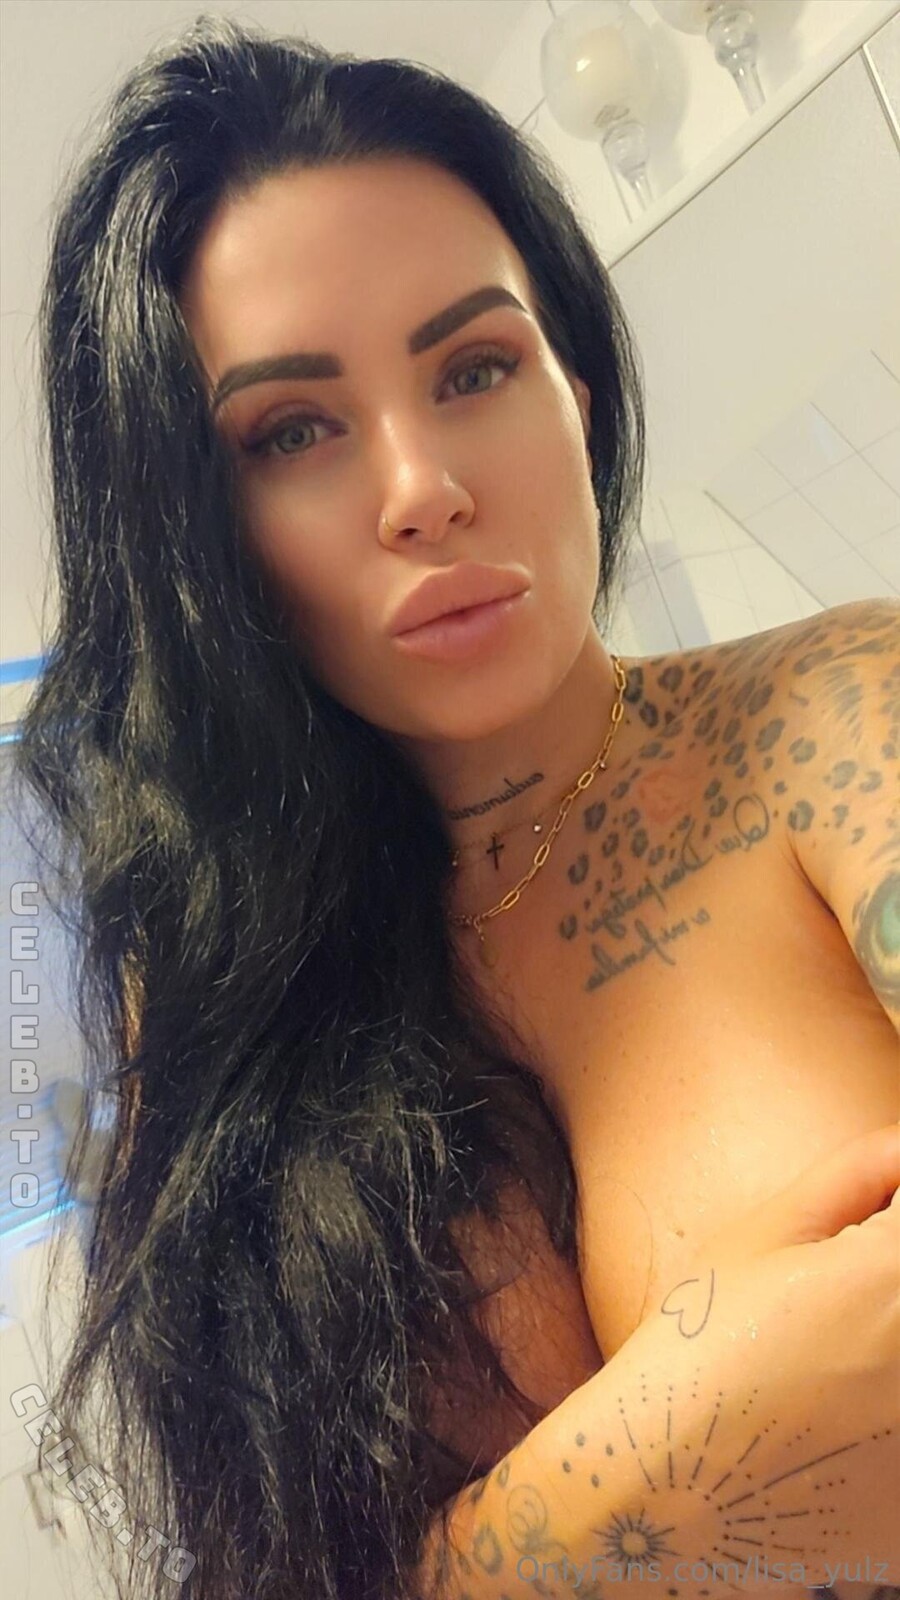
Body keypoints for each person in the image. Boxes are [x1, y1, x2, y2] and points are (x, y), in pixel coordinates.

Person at [11, 12, 897, 1600]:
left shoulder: (839, 716)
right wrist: (630, 1499)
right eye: (293, 432)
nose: (423, 487)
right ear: (196, 541)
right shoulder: (228, 1036)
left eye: (475, 367)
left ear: (575, 388)